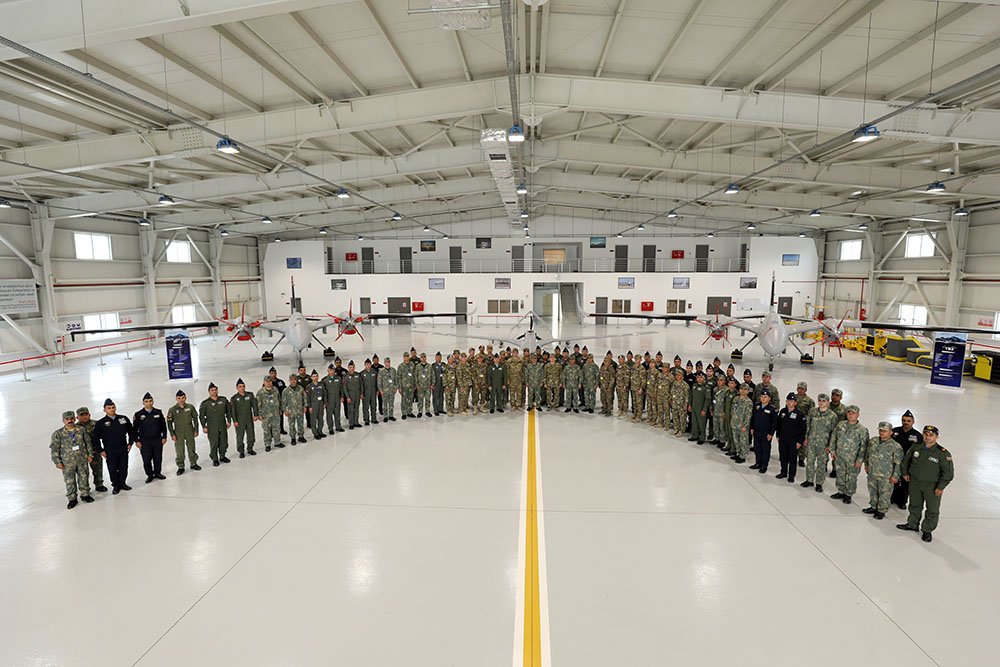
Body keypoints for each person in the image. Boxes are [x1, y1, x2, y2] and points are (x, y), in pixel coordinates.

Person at [897, 425, 954, 542]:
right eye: (926, 434)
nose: (928, 437)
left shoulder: (942, 453)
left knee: (932, 510)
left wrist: (940, 487)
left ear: (937, 437)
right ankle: (912, 524)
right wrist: (905, 473)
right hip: (915, 483)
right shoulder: (916, 446)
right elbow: (906, 460)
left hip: (932, 486)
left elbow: (948, 473)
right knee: (914, 505)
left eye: (931, 435)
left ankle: (927, 530)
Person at [51, 411, 95, 509]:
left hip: (82, 459)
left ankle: (85, 494)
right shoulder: (58, 434)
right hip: (67, 462)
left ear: (75, 419)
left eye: (71, 418)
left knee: (84, 477)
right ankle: (72, 498)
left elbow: (88, 443)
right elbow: (54, 449)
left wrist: (90, 455)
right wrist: (57, 462)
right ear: (63, 420)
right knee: (69, 481)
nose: (69, 421)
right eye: (67, 419)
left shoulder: (81, 430)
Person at [92, 398, 134, 494]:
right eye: (109, 408)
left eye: (113, 407)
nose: (112, 409)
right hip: (110, 450)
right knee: (112, 468)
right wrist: (101, 450)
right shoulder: (100, 423)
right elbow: (96, 438)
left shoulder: (123, 419)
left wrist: (130, 443)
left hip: (123, 448)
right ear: (104, 410)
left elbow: (131, 431)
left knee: (124, 467)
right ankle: (115, 486)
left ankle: (123, 483)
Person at [828, 405, 868, 504]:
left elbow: (864, 447)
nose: (850, 415)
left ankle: (848, 494)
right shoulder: (841, 425)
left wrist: (860, 460)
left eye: (853, 413)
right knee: (840, 474)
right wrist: (832, 450)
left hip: (853, 459)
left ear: (858, 415)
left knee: (851, 477)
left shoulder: (862, 430)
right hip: (840, 456)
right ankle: (841, 491)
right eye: (849, 413)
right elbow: (834, 437)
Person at [864, 422, 903, 520]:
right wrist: (867, 465)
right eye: (880, 430)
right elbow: (867, 454)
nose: (882, 432)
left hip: (886, 475)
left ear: (891, 432)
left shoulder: (895, 446)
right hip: (872, 472)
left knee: (884, 493)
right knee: (872, 491)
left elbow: (898, 463)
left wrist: (895, 476)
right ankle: (873, 506)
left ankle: (881, 510)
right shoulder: (873, 441)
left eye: (885, 431)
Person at [801, 394, 837, 493]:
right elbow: (808, 426)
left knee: (821, 465)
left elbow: (834, 433)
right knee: (810, 462)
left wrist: (830, 446)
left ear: (828, 402)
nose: (821, 402)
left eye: (824, 401)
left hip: (823, 444)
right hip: (811, 442)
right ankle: (809, 480)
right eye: (820, 400)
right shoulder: (812, 412)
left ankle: (819, 483)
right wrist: (806, 438)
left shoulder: (832, 415)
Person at [891, 410, 922, 509]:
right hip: (894, 461)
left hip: (907, 463)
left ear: (913, 422)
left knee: (905, 483)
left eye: (908, 421)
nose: (906, 422)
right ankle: (892, 498)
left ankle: (902, 501)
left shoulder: (917, 436)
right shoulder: (895, 431)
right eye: (904, 420)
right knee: (893, 480)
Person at [133, 392, 167, 482]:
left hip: (157, 440)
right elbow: (134, 429)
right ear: (143, 403)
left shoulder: (158, 412)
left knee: (158, 458)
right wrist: (137, 441)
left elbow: (163, 426)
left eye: (150, 401)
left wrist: (164, 437)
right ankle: (150, 475)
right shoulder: (138, 414)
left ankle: (157, 473)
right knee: (146, 459)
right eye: (146, 401)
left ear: (153, 401)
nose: (149, 403)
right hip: (145, 441)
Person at [167, 390, 201, 473]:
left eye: (183, 398)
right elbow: (169, 423)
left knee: (191, 448)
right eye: (179, 398)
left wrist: (196, 430)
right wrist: (172, 434)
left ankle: (193, 463)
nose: (181, 400)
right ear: (176, 399)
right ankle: (181, 466)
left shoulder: (190, 407)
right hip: (178, 432)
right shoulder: (172, 410)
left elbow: (195, 419)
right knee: (179, 450)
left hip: (189, 430)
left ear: (185, 398)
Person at [75, 407, 106, 492]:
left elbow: (104, 436)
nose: (85, 416)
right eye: (82, 415)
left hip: (94, 450)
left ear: (89, 415)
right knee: (83, 472)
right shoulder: (75, 428)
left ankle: (99, 484)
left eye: (86, 414)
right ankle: (84, 489)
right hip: (81, 453)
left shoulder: (96, 424)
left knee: (97, 469)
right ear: (77, 417)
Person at [199, 382, 232, 466]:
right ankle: (214, 458)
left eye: (215, 390)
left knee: (224, 441)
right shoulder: (205, 403)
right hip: (212, 426)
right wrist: (204, 426)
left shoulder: (223, 400)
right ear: (209, 391)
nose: (214, 391)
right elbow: (201, 416)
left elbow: (228, 411)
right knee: (214, 442)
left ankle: (222, 456)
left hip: (222, 424)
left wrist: (228, 421)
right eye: (212, 390)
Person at [775, 393, 805, 482]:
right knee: (783, 457)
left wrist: (799, 442)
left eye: (791, 401)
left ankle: (791, 475)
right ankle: (783, 472)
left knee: (792, 458)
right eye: (788, 400)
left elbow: (803, 429)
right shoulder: (783, 411)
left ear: (795, 403)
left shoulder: (800, 414)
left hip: (793, 440)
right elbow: (778, 425)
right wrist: (778, 436)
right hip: (783, 439)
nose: (789, 402)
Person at [749, 392, 778, 472]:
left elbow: (774, 423)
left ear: (769, 398)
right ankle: (758, 463)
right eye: (761, 396)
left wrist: (771, 434)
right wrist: (752, 428)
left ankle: (764, 466)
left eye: (765, 397)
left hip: (766, 433)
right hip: (757, 431)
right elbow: (753, 418)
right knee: (757, 449)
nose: (763, 398)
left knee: (765, 450)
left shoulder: (772, 409)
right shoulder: (757, 406)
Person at [230, 378, 259, 457]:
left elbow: (254, 405)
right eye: (240, 386)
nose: (242, 388)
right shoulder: (234, 398)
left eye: (243, 386)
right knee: (240, 436)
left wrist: (255, 415)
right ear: (237, 388)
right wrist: (235, 421)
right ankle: (241, 451)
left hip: (249, 419)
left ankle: (250, 449)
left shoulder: (250, 395)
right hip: (240, 420)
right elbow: (233, 411)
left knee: (251, 435)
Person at [256, 376, 283, 451]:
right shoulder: (260, 392)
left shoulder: (275, 389)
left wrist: (280, 409)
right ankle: (267, 444)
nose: (268, 383)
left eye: (270, 381)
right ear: (264, 382)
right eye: (267, 382)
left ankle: (277, 442)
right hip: (266, 415)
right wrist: (259, 414)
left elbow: (279, 400)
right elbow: (258, 405)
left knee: (276, 428)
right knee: (266, 430)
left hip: (275, 413)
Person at [728, 383, 753, 464]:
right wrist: (732, 420)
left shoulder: (748, 402)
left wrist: (745, 425)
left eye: (745, 389)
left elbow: (748, 415)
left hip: (742, 425)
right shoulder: (736, 399)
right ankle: (738, 453)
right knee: (736, 440)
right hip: (734, 423)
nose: (743, 391)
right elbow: (732, 410)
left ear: (748, 391)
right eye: (741, 389)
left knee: (743, 441)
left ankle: (742, 456)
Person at [793, 382, 814, 468]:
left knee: (802, 440)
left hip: (803, 423)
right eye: (799, 388)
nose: (800, 390)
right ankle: (792, 456)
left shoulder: (809, 401)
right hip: (793, 422)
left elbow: (811, 413)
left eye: (802, 389)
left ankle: (801, 459)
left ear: (806, 390)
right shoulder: (793, 397)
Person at [282, 374, 307, 442]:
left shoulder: (301, 388)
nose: (293, 381)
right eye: (291, 380)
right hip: (291, 411)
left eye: (294, 379)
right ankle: (293, 438)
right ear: (289, 380)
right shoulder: (286, 391)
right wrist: (285, 410)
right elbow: (283, 401)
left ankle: (301, 436)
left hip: (300, 410)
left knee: (300, 424)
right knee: (291, 425)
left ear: (296, 380)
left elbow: (304, 398)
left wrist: (305, 406)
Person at [322, 364, 346, 434]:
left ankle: (338, 427)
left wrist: (342, 396)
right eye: (330, 370)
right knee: (329, 415)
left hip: (337, 400)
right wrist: (325, 402)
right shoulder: (324, 380)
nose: (332, 372)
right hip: (329, 401)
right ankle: (330, 429)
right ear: (328, 371)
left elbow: (341, 388)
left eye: (333, 370)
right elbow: (323, 392)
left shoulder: (338, 378)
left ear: (334, 370)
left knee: (337, 414)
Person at [689, 371, 710, 444]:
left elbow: (707, 399)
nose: (699, 379)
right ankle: (695, 435)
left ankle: (702, 437)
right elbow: (691, 396)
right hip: (694, 407)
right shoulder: (694, 385)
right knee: (694, 422)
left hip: (701, 408)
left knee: (701, 423)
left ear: (704, 378)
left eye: (701, 377)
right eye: (698, 377)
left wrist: (704, 409)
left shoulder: (706, 388)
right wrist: (690, 404)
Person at [307, 370, 328, 439]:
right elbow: (308, 398)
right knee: (313, 420)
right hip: (313, 405)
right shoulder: (309, 386)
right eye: (313, 376)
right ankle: (315, 433)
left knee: (321, 419)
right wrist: (309, 407)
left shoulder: (321, 385)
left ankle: (320, 431)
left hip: (321, 404)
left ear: (318, 377)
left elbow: (325, 394)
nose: (315, 378)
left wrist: (325, 403)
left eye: (316, 376)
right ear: (311, 377)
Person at [378, 357, 399, 422]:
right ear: (384, 363)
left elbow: (396, 380)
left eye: (389, 362)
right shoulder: (381, 371)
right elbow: (379, 382)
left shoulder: (393, 370)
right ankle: (385, 416)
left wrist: (395, 388)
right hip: (384, 391)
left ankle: (391, 415)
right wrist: (381, 390)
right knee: (385, 404)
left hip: (392, 390)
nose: (388, 363)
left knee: (391, 403)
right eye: (386, 362)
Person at [670, 369, 690, 438]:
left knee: (682, 418)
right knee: (675, 417)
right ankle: (676, 429)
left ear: (682, 376)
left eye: (679, 375)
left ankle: (682, 430)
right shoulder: (674, 383)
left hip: (681, 405)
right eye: (676, 375)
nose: (677, 376)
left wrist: (685, 405)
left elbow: (687, 396)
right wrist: (671, 400)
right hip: (674, 403)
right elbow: (671, 392)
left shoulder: (685, 385)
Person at [343, 361, 363, 429]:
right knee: (351, 410)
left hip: (357, 394)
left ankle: (356, 422)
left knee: (357, 409)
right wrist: (347, 397)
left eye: (353, 367)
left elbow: (361, 385)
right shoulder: (346, 376)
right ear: (348, 368)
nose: (352, 368)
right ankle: (351, 424)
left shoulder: (358, 375)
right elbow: (345, 388)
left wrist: (361, 393)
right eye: (350, 367)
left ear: (354, 367)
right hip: (350, 395)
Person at [268, 367, 287, 435]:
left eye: (274, 373)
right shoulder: (267, 383)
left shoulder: (280, 382)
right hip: (271, 403)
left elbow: (285, 390)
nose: (273, 374)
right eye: (272, 373)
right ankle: (272, 431)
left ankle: (281, 429)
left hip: (280, 402)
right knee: (272, 417)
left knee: (280, 416)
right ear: (269, 374)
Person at [398, 352, 416, 419]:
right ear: (403, 357)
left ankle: (409, 412)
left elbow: (414, 375)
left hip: (411, 386)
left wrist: (415, 384)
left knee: (410, 400)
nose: (406, 358)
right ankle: (404, 413)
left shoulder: (412, 365)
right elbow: (398, 377)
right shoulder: (401, 366)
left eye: (407, 356)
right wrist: (399, 387)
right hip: (404, 387)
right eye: (405, 356)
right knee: (404, 400)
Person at [360, 359, 379, 425]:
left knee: (374, 406)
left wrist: (377, 390)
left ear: (371, 364)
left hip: (373, 392)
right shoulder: (362, 374)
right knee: (366, 407)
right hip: (366, 393)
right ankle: (366, 420)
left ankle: (374, 419)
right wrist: (361, 393)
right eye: (366, 364)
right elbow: (361, 384)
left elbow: (377, 382)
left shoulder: (374, 372)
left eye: (369, 364)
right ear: (364, 365)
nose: (368, 366)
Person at [415, 353, 433, 418]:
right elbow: (416, 376)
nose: (423, 358)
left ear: (426, 358)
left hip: (428, 386)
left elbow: (433, 375)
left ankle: (427, 411)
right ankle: (420, 411)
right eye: (422, 357)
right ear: (420, 358)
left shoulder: (429, 366)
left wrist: (432, 384)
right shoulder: (418, 367)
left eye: (424, 357)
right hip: (420, 387)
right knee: (420, 400)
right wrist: (417, 385)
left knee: (428, 399)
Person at [432, 352, 447, 416]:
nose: (438, 358)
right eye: (437, 357)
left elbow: (446, 373)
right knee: (435, 397)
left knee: (441, 397)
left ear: (441, 358)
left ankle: (440, 409)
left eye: (439, 357)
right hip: (436, 384)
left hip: (442, 383)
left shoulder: (444, 365)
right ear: (435, 358)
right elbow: (431, 375)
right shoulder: (433, 366)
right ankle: (436, 410)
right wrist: (432, 384)